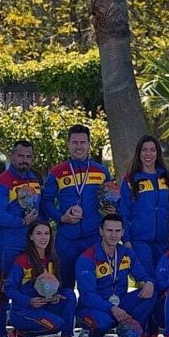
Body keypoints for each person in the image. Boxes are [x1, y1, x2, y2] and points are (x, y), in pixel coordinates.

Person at [42, 124, 113, 290]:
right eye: (75, 142)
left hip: (93, 238)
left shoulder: (101, 171)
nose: (79, 147)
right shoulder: (57, 172)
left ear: (89, 145)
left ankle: (88, 309)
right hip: (67, 238)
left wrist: (111, 209)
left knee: (93, 286)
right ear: (68, 144)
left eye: (83, 142)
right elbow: (45, 201)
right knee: (64, 286)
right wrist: (61, 218)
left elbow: (111, 198)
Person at [0, 139, 42, 337]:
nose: (24, 160)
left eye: (28, 157)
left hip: (31, 244)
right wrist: (21, 222)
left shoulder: (34, 180)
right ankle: (1, 336)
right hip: (9, 244)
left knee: (28, 288)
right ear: (12, 156)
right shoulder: (1, 182)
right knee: (4, 288)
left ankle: (23, 334)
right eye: (20, 156)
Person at [76, 214, 157, 337]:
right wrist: (111, 308)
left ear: (122, 232)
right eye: (109, 230)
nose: (113, 235)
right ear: (101, 231)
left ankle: (130, 333)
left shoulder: (127, 253)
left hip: (120, 303)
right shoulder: (87, 258)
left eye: (117, 231)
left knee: (152, 293)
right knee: (103, 322)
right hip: (94, 308)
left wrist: (148, 283)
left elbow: (143, 276)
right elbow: (87, 296)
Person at [6, 220, 80, 337]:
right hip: (24, 311)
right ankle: (20, 333)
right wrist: (29, 301)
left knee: (68, 294)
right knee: (57, 324)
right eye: (39, 233)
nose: (43, 237)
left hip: (44, 306)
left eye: (46, 233)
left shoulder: (52, 258)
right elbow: (9, 288)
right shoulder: (23, 260)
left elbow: (53, 286)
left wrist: (55, 296)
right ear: (31, 237)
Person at [118, 135, 169, 278]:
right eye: (144, 150)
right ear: (138, 153)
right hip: (140, 241)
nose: (148, 154)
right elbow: (123, 212)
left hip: (163, 241)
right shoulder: (130, 179)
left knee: (164, 280)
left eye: (152, 150)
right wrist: (126, 240)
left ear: (158, 153)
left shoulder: (166, 177)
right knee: (148, 281)